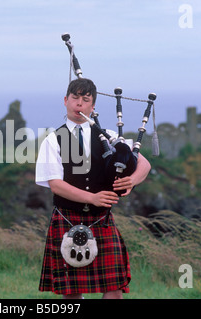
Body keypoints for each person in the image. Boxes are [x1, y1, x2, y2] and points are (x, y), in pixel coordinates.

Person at [35, 78, 151, 299]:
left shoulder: (108, 137)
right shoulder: (53, 140)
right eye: (75, 98)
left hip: (101, 220)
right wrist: (92, 197)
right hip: (67, 218)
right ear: (65, 101)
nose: (79, 104)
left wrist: (132, 180)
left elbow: (143, 163)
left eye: (85, 99)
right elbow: (56, 185)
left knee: (115, 291)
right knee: (71, 293)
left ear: (93, 105)